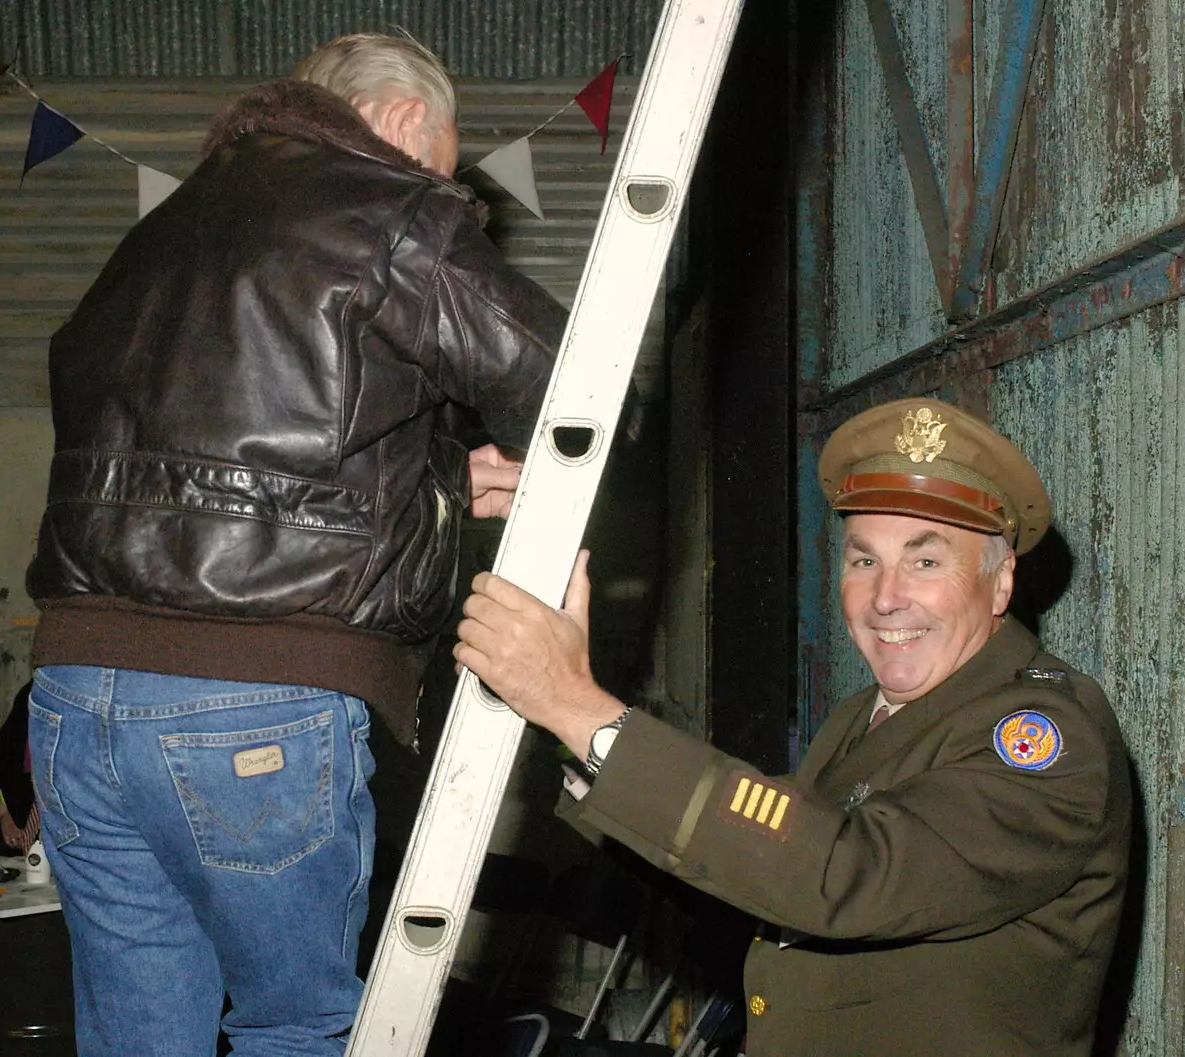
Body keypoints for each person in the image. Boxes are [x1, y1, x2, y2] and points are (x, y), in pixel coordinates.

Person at [22, 32, 565, 1057]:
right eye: (444, 161)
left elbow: (212, 465)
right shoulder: (388, 210)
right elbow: (570, 393)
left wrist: (444, 480)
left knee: (137, 1039)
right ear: (404, 122)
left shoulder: (162, 230)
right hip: (253, 699)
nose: (442, 188)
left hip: (72, 698)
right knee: (299, 1030)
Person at [454, 398, 1132, 1056]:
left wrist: (579, 705)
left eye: (926, 560)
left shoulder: (1049, 740)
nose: (886, 595)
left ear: (1001, 581)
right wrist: (567, 717)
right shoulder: (866, 716)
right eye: (864, 559)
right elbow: (758, 873)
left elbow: (843, 871)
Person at [0, 683, 40, 855]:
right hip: (16, 807)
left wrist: (15, 804)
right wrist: (4, 803)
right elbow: (0, 755)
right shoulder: (33, 691)